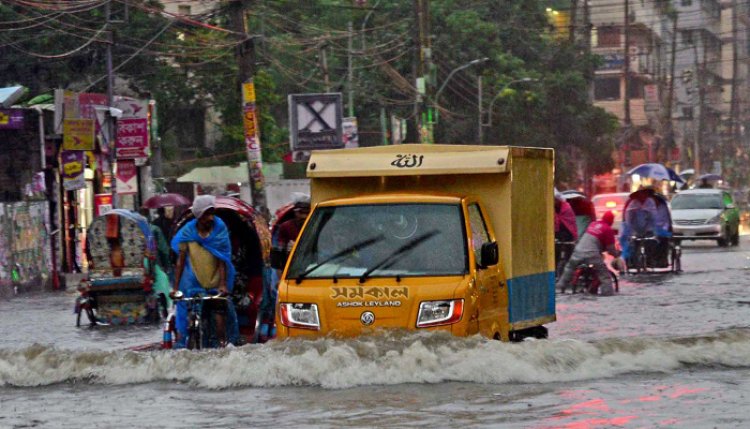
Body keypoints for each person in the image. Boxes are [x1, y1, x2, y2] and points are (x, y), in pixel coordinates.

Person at [170, 195, 239, 348]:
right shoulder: (187, 232)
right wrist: (175, 288)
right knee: (189, 317)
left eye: (212, 213)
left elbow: (222, 259)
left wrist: (222, 284)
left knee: (219, 318)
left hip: (216, 282)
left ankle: (222, 346)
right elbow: (180, 261)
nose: (211, 218)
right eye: (207, 214)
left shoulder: (220, 229)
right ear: (199, 216)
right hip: (194, 283)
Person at [556, 211, 620, 296]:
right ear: (611, 221)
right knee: (605, 276)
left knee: (568, 270)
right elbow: (611, 249)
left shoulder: (593, 224)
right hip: (592, 254)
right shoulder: (607, 229)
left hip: (578, 251)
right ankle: (608, 294)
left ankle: (559, 289)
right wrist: (617, 255)